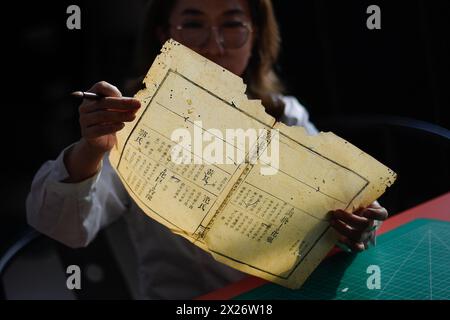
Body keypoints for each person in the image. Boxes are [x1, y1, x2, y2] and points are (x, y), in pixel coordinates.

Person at [26, 0, 388, 299]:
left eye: (232, 25)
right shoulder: (132, 124)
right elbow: (63, 227)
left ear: (256, 36)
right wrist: (92, 149)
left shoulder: (284, 114)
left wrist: (356, 227)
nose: (213, 45)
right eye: (193, 24)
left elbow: (337, 218)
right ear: (164, 34)